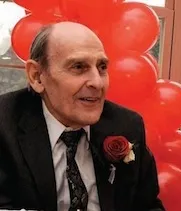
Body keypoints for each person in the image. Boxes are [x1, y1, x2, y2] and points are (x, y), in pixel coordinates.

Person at [0, 21, 165, 211]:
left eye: (102, 67)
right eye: (78, 67)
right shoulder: (5, 126)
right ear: (37, 76)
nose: (97, 82)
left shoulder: (126, 125)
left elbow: (148, 206)